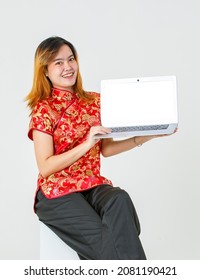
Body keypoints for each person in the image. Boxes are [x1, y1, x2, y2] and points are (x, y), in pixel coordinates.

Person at [25, 36, 176, 260]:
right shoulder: (43, 109)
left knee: (119, 200)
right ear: (45, 71)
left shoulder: (95, 101)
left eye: (71, 59)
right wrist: (87, 143)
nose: (68, 67)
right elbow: (46, 167)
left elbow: (106, 149)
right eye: (58, 62)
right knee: (109, 241)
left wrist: (146, 135)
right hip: (55, 192)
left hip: (90, 185)